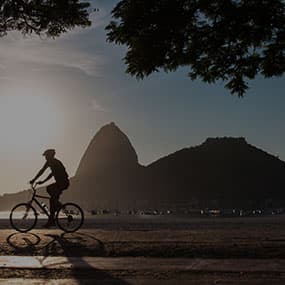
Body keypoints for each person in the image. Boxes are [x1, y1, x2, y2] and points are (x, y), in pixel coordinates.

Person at [30, 149, 69, 228]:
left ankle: (58, 206)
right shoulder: (50, 162)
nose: (45, 157)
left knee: (50, 193)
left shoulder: (55, 162)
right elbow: (43, 171)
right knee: (52, 199)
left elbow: (51, 174)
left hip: (63, 183)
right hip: (59, 183)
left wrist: (38, 180)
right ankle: (53, 216)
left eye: (46, 156)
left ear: (50, 156)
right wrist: (37, 180)